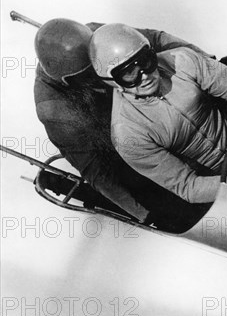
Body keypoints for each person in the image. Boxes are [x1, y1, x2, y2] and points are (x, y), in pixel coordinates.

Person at [34, 18, 212, 232]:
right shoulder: (53, 109)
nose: (102, 74)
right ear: (68, 82)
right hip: (118, 142)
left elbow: (155, 39)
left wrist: (207, 62)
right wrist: (144, 215)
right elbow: (96, 171)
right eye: (90, 72)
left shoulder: (99, 36)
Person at [88, 23, 227, 204]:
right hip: (219, 175)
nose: (145, 76)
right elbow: (188, 187)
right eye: (129, 73)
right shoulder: (127, 133)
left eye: (146, 62)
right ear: (112, 82)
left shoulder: (182, 60)